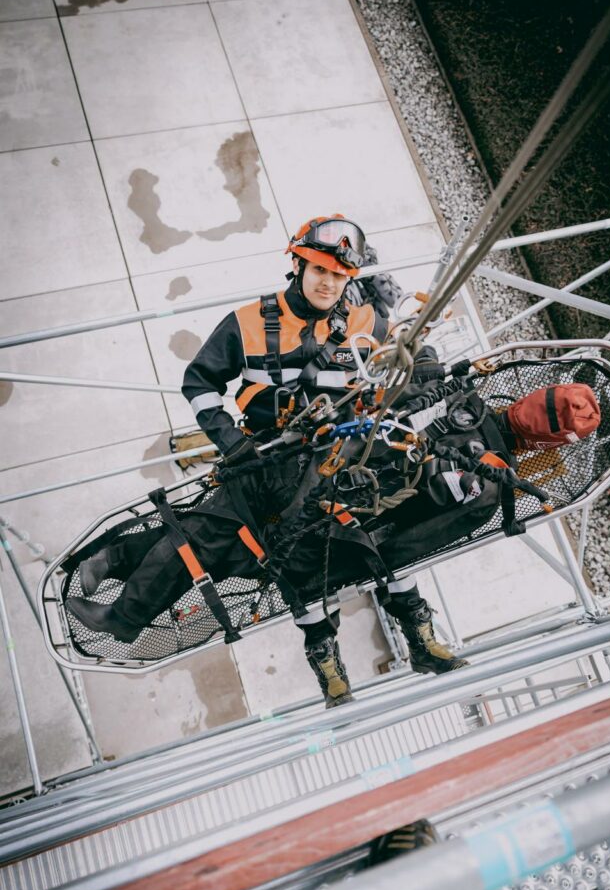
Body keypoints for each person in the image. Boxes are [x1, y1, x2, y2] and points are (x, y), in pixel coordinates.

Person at [67, 215, 467, 707]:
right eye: (319, 269)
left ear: (351, 279)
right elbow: (199, 383)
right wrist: (231, 442)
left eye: (339, 275)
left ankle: (118, 574)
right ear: (297, 264)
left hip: (332, 464)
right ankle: (122, 600)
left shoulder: (367, 323)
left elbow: (412, 357)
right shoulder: (248, 323)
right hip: (262, 461)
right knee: (216, 535)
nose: (327, 282)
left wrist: (428, 364)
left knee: (350, 542)